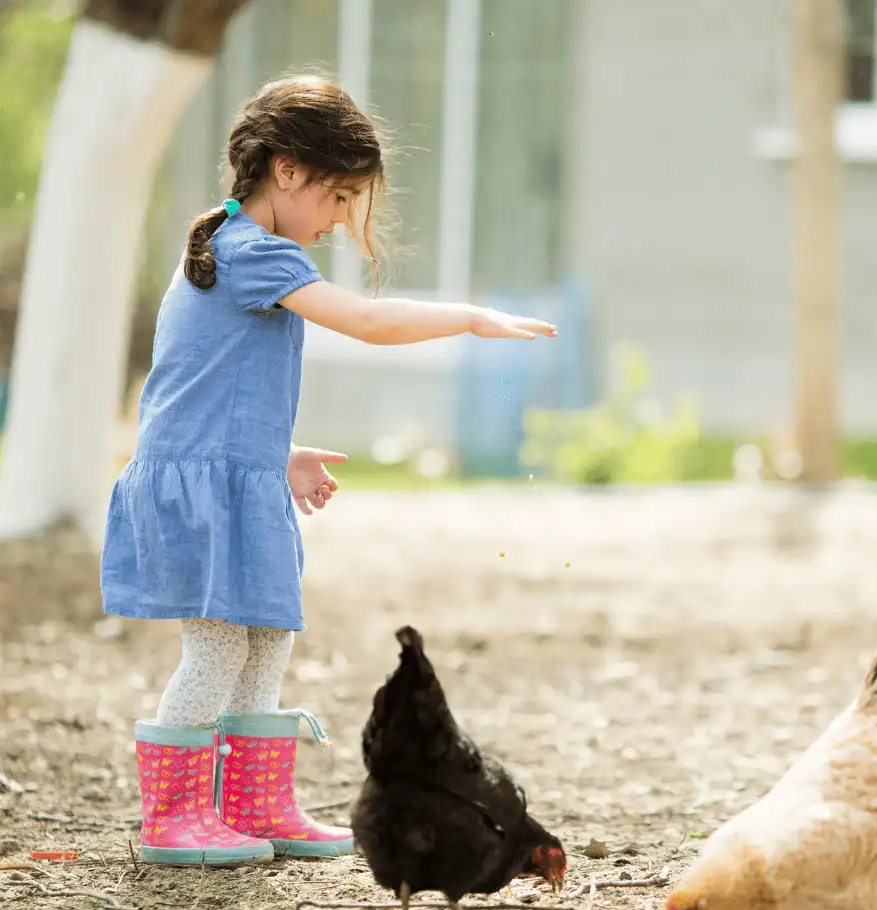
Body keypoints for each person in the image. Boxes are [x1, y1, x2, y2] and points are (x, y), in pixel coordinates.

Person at [101, 75, 556, 867]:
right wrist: (470, 317)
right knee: (214, 650)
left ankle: (254, 805)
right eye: (338, 195)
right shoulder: (248, 254)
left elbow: (205, 387)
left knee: (267, 635)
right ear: (285, 171)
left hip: (238, 478)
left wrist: (279, 454)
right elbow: (370, 321)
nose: (342, 217)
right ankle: (172, 816)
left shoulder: (236, 250)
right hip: (203, 492)